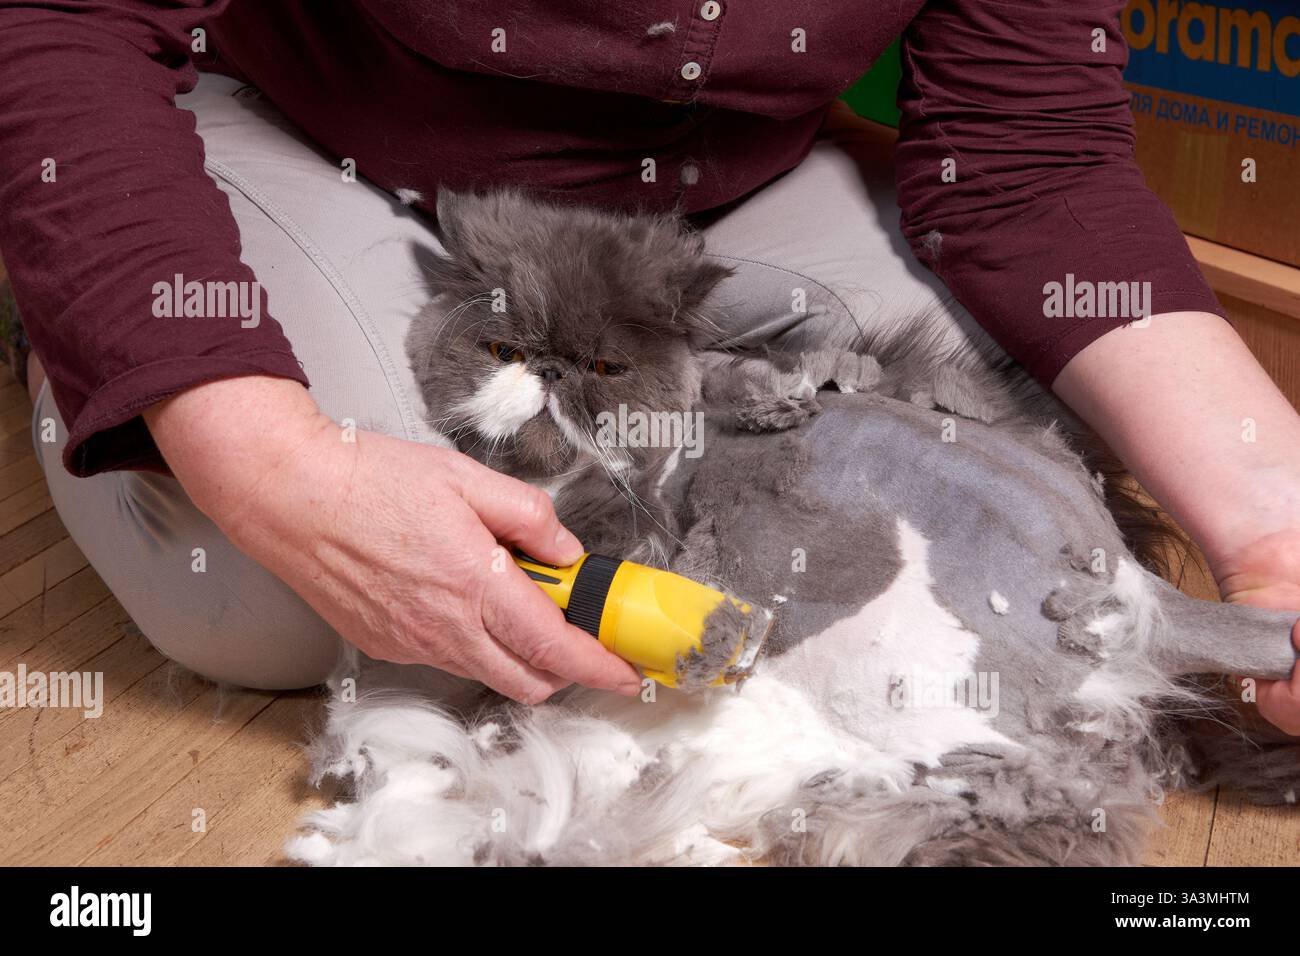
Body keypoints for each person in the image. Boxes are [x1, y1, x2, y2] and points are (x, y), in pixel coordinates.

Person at [1, 0, 1297, 733]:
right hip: (303, 126)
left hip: (715, 187)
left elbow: (1036, 154)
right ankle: (102, 316)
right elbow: (58, 22)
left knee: (1010, 473)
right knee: (290, 605)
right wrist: (262, 452)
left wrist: (1271, 530)